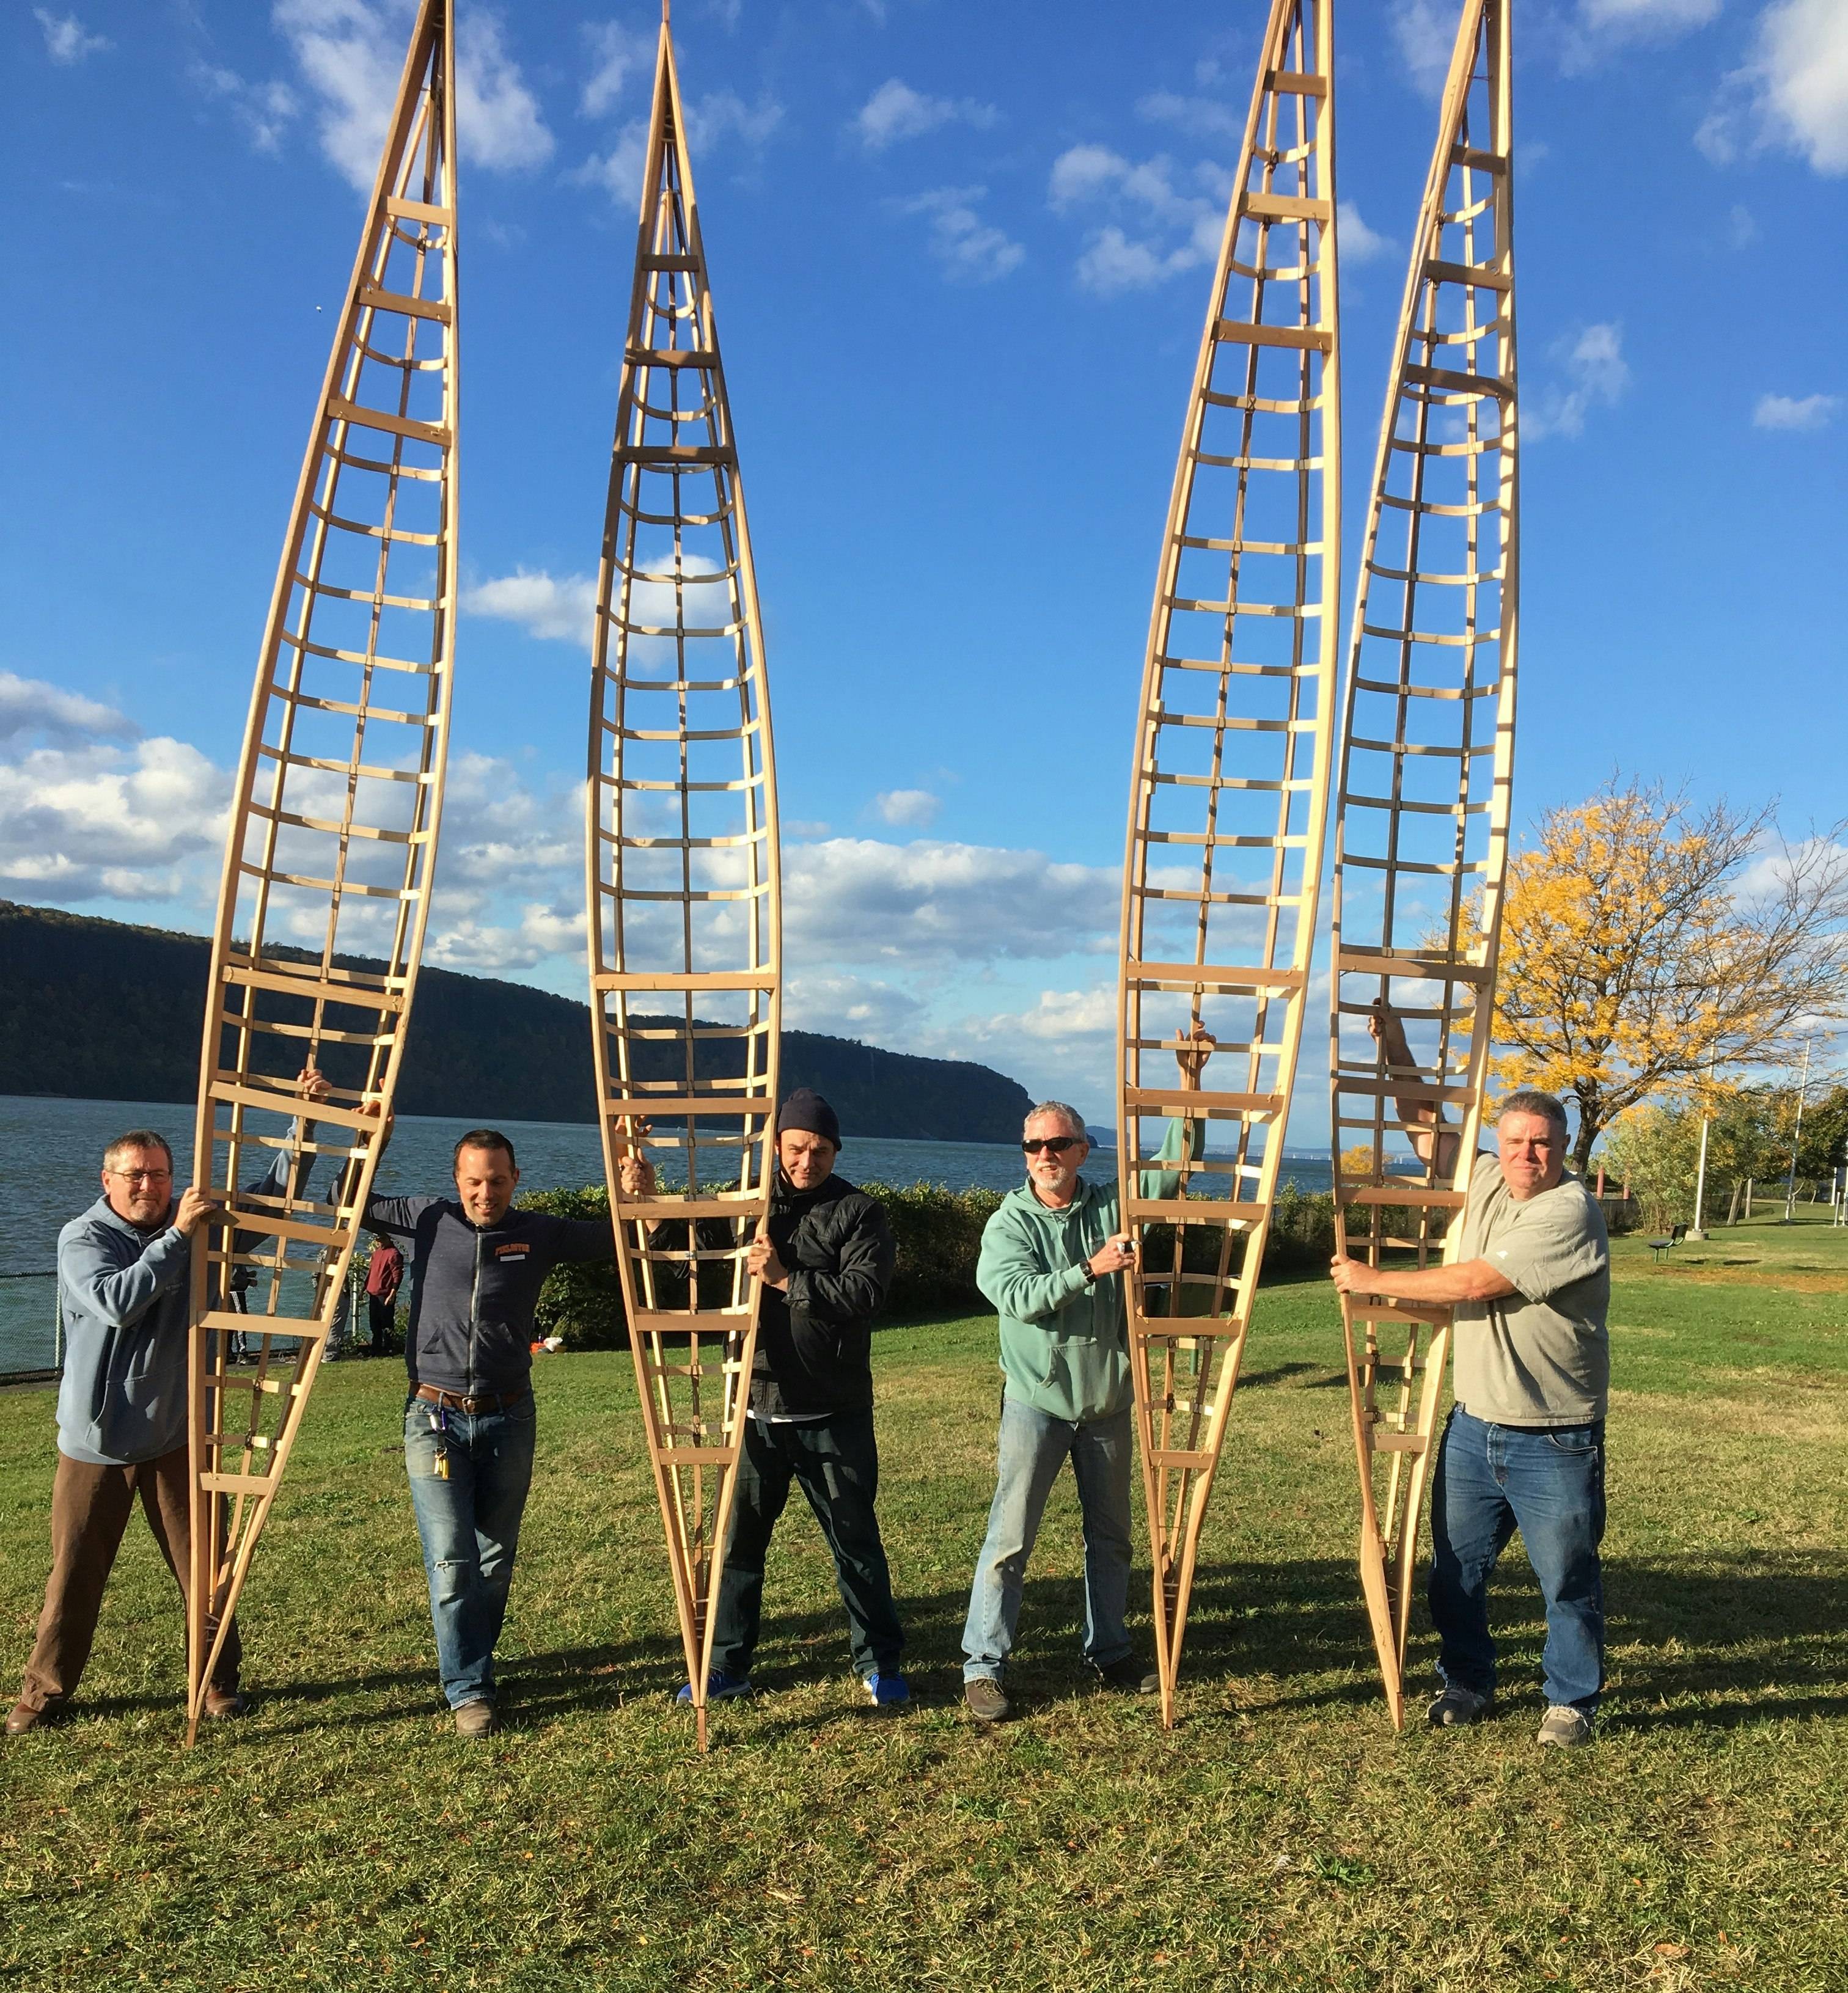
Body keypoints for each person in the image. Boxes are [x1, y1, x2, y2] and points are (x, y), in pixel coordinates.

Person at [1329, 1001, 1610, 1748]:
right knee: (1455, 1572)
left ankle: (1570, 1701)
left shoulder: (1570, 1212)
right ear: (1500, 1143)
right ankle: (1468, 1679)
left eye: (1542, 1143)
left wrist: (1371, 1279)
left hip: (1555, 1435)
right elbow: (1425, 1119)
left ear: (1563, 1146)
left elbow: (1478, 1282)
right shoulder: (1486, 1180)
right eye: (1515, 1141)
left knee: (1567, 1580)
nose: (1527, 1154)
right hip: (1475, 1425)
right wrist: (1394, 1043)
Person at [5, 1103, 317, 1735]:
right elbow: (117, 1302)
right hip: (99, 1439)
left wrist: (302, 1131)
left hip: (181, 1435)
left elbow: (270, 1199)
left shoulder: (197, 1230)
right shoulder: (83, 1238)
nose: (149, 1185)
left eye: (160, 1173)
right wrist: (179, 1237)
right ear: (108, 1181)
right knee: (75, 1575)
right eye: (136, 1175)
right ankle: (43, 1695)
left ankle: (215, 1683)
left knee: (207, 1569)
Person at [960, 1028, 1211, 1723]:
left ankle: (1109, 1649)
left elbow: (1174, 1163)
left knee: (1111, 1538)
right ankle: (983, 1665)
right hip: (1035, 1404)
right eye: (1034, 1147)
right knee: (1010, 1538)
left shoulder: (1112, 1206)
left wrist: (1187, 1084)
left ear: (1082, 1150)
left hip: (1106, 1404)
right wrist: (1089, 1269)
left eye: (1058, 1145)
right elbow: (1015, 1295)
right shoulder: (1009, 1224)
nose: (1045, 1157)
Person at [629, 1089, 908, 1708]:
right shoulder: (746, 1200)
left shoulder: (859, 1212)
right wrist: (649, 1203)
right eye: (795, 1148)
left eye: (819, 1150)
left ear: (835, 1150)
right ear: (777, 1145)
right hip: (753, 1406)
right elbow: (689, 1261)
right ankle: (726, 1665)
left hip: (833, 1408)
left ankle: (881, 1662)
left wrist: (785, 1278)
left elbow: (865, 1293)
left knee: (855, 1540)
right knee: (740, 1547)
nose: (806, 1160)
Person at [351, 1105, 620, 1739]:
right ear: (456, 1178)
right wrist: (371, 1139)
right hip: (433, 1416)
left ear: (515, 1178)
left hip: (509, 1414)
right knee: (451, 1557)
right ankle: (468, 1687)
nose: (485, 1192)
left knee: (495, 1559)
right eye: (474, 1180)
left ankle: (474, 1659)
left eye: (497, 1180)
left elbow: (617, 1237)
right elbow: (351, 1202)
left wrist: (637, 1190)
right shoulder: (427, 1217)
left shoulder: (540, 1232)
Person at [364, 1242, 403, 1356]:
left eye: (381, 1239)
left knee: (386, 1322)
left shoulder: (394, 1253)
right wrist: (364, 1288)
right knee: (374, 1322)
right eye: (377, 1239)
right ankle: (376, 1347)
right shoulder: (376, 1253)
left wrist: (392, 1294)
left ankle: (388, 1347)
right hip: (373, 1293)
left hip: (385, 1294)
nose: (378, 1242)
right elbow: (371, 1272)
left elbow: (397, 1275)